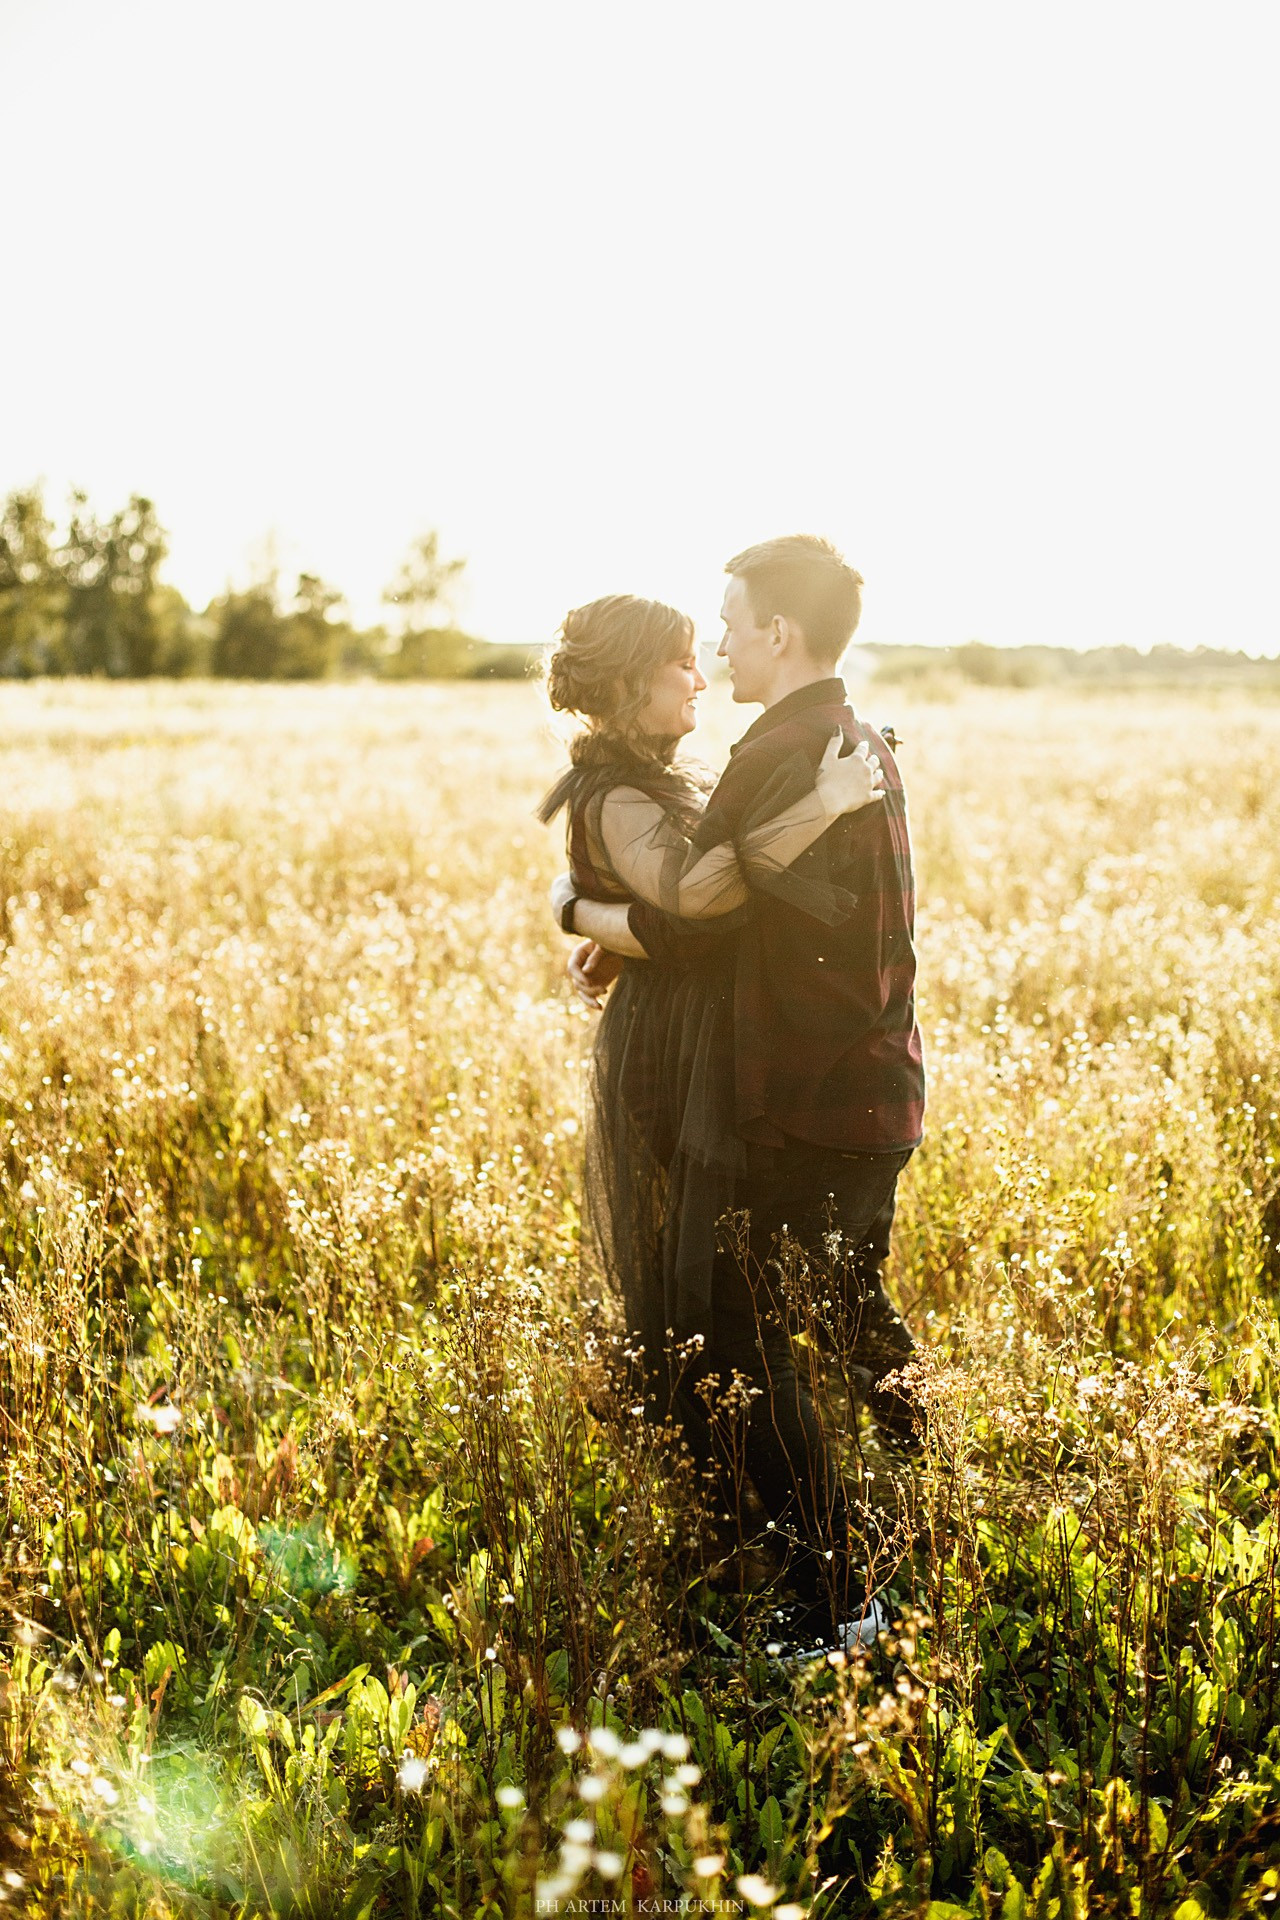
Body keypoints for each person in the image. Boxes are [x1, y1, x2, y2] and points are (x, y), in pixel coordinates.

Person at [558, 537, 926, 1652]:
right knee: (844, 1311)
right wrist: (614, 930)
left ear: (777, 631)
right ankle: (924, 1495)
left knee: (738, 1341)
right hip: (873, 1089)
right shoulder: (846, 737)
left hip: (800, 1100)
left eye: (724, 626)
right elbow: (736, 910)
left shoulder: (778, 756)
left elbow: (693, 912)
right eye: (689, 648)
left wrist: (586, 918)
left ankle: (839, 1593)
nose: (714, 651)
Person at [539, 592, 884, 1469]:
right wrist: (826, 803)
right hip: (672, 1051)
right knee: (705, 1271)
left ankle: (746, 1460)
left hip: (701, 1032)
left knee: (739, 1269)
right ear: (627, 681)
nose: (700, 676)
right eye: (680, 664)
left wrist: (600, 926)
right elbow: (701, 897)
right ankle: (729, 1467)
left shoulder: (657, 775)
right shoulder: (613, 791)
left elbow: (685, 909)